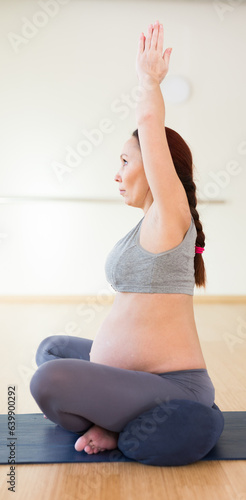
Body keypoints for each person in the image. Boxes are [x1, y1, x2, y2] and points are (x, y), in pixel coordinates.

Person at [30, 20, 215, 455]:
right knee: (52, 348)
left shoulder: (171, 215)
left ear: (154, 167)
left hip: (173, 386)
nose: (116, 172)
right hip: (133, 380)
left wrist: (147, 79)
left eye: (125, 160)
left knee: (47, 381)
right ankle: (115, 420)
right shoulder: (147, 223)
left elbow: (150, 123)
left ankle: (120, 421)